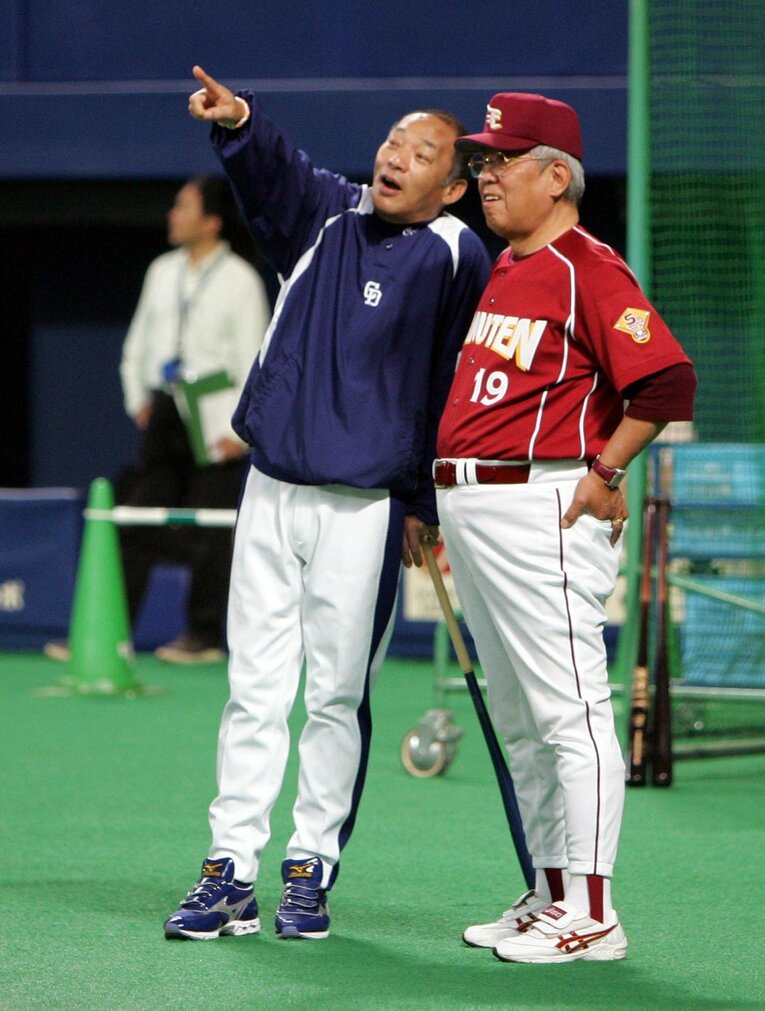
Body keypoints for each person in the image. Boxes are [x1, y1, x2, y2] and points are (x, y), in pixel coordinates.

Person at [162, 68, 491, 941]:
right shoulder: (325, 216)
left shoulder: (458, 255)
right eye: (392, 140)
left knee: (336, 696)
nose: (395, 158)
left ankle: (308, 870)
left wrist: (424, 501)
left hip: (367, 509)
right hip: (271, 488)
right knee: (253, 689)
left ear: (451, 184)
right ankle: (228, 871)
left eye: (420, 154)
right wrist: (237, 121)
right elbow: (274, 166)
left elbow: (449, 385)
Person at [433, 93, 696, 964]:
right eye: (480, 162)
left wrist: (605, 470)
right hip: (479, 506)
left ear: (557, 174)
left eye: (501, 161)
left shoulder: (588, 266)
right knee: (517, 716)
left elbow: (664, 383)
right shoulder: (510, 264)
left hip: (539, 503)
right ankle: (550, 892)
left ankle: (592, 909)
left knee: (569, 710)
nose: (484, 175)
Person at [118, 174, 271, 663]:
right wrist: (137, 397)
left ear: (211, 221)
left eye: (182, 207)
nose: (172, 215)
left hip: (215, 419)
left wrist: (239, 434)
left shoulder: (240, 280)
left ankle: (203, 635)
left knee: (212, 530)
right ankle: (111, 631)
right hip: (166, 410)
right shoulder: (162, 270)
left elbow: (255, 358)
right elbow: (138, 342)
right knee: (137, 517)